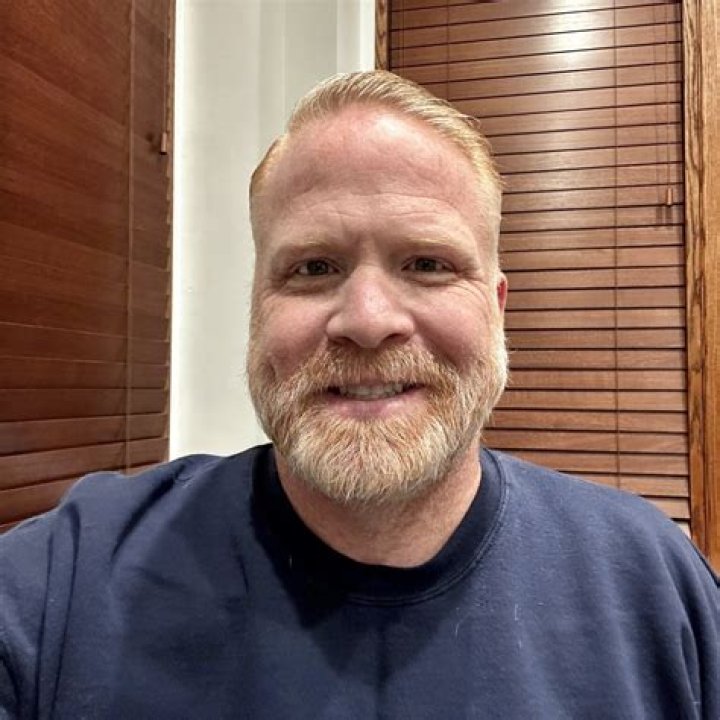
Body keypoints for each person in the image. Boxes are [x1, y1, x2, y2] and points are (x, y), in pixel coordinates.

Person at [0, 70, 717, 719]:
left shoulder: (653, 585)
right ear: (255, 312)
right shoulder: (69, 580)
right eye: (314, 268)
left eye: (427, 264)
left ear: (497, 308)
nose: (369, 322)